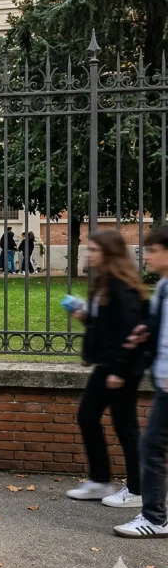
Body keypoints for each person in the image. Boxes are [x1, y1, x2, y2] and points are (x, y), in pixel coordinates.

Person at [65, 230, 145, 509]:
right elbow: (108, 328)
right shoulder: (104, 283)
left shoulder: (121, 286)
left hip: (120, 369)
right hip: (109, 365)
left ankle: (137, 489)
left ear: (109, 254)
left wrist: (118, 372)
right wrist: (86, 318)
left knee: (126, 428)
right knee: (88, 417)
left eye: (94, 250)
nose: (89, 254)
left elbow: (128, 333)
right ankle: (100, 481)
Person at [116, 224, 168, 537]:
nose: (146, 255)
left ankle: (155, 518)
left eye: (152, 250)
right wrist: (145, 331)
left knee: (150, 447)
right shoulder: (163, 286)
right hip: (163, 381)